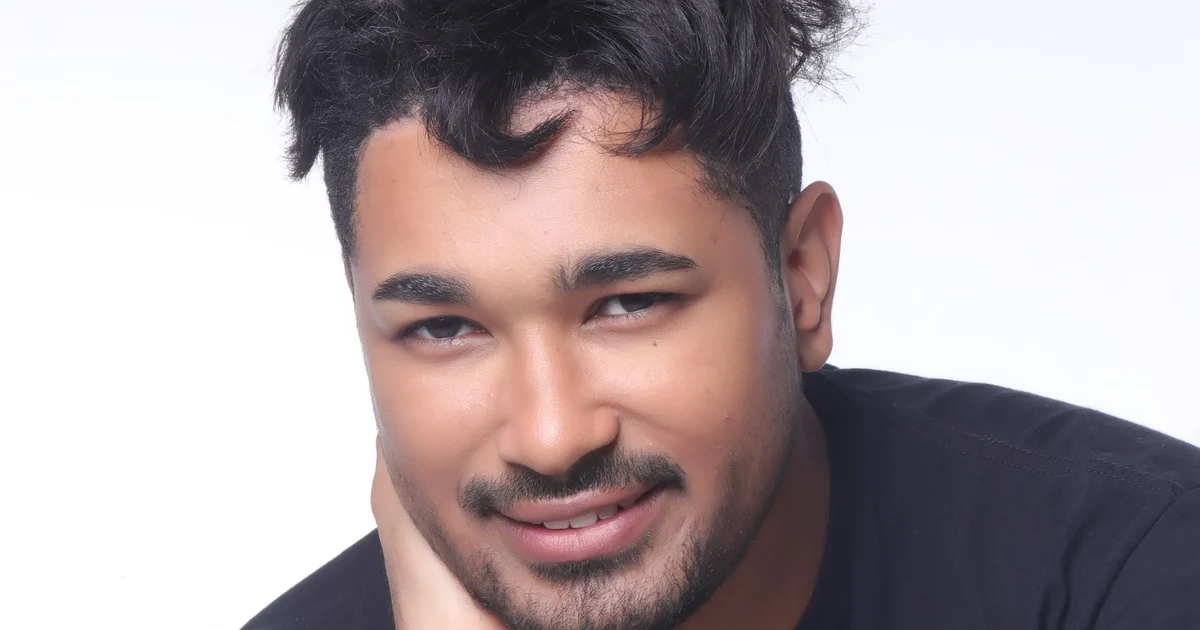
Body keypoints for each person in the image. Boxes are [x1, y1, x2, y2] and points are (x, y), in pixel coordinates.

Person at [241, 1, 1200, 628]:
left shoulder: (1136, 575)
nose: (550, 437)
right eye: (445, 328)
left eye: (628, 304)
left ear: (803, 276)